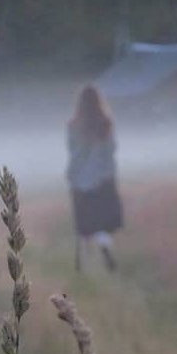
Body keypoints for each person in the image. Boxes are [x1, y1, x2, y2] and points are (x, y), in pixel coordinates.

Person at [66, 83, 123, 272]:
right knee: (103, 221)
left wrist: (73, 175)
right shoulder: (106, 123)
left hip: (80, 179)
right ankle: (105, 247)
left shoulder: (73, 125)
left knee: (84, 220)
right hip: (103, 178)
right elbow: (111, 150)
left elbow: (73, 151)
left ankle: (81, 257)